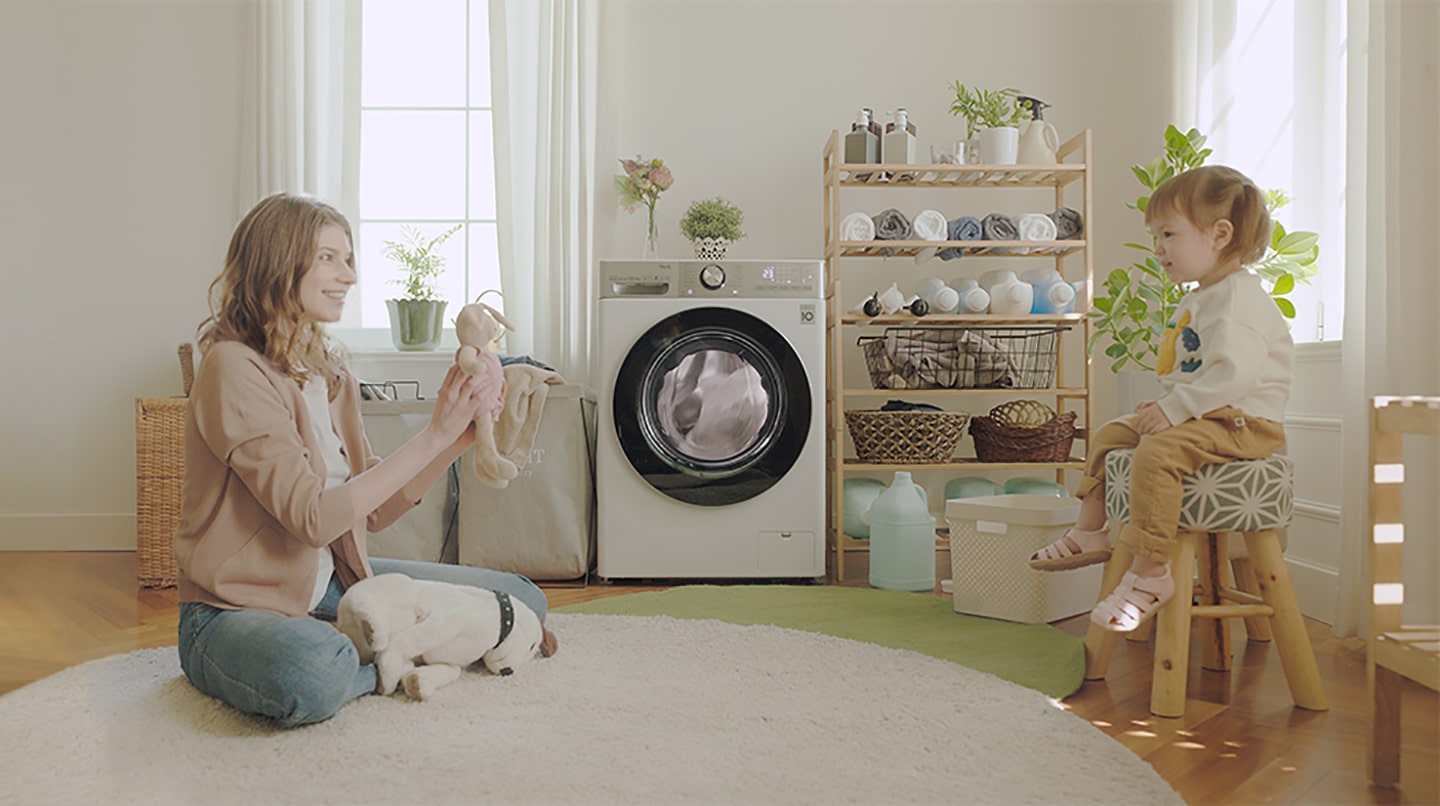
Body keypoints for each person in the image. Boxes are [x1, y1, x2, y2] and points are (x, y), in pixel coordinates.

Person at [173, 192, 555, 728]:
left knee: (520, 600)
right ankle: (404, 652)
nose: (348, 275)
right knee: (311, 671)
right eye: (328, 257)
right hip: (233, 611)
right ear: (276, 262)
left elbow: (370, 512)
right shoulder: (232, 368)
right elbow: (313, 519)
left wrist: (456, 435)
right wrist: (431, 436)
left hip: (334, 588)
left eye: (348, 259)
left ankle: (377, 646)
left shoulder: (329, 372)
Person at [1028, 165, 1292, 632]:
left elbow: (1233, 375)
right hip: (1209, 415)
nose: (1158, 248)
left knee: (1156, 451)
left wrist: (1174, 410)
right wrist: (1165, 406)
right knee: (1113, 431)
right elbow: (1194, 370)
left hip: (1243, 424)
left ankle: (1151, 574)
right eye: (1155, 236)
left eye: (1168, 234)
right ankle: (1090, 530)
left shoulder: (1236, 300)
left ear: (1219, 234)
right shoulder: (1205, 296)